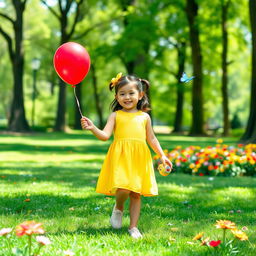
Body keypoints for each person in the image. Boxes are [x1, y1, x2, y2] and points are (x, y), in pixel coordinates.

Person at [81, 73, 172, 239]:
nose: (127, 97)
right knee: (123, 188)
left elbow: (151, 138)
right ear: (116, 96)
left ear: (140, 95)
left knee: (136, 193)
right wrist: (93, 127)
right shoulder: (116, 115)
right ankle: (119, 206)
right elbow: (105, 135)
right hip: (121, 157)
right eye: (122, 94)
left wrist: (162, 155)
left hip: (139, 157)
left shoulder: (144, 117)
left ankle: (133, 227)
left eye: (131, 93)